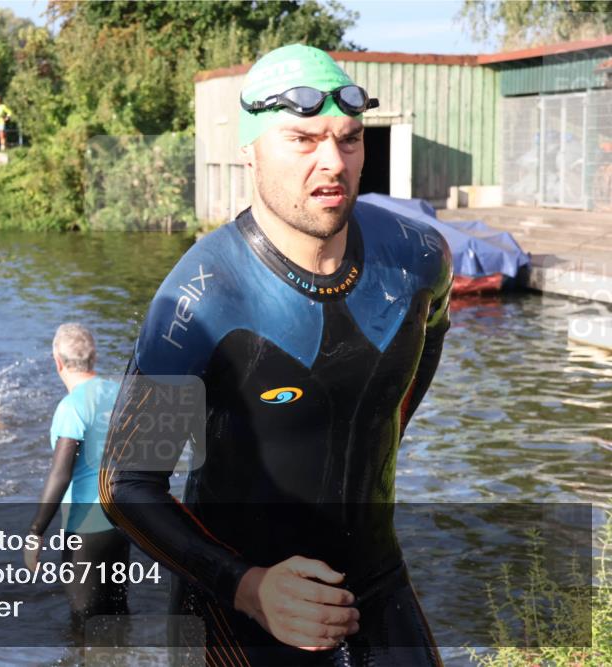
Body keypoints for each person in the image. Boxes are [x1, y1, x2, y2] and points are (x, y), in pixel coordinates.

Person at [99, 45, 451, 666]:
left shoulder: (419, 256)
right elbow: (126, 485)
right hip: (237, 605)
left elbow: (428, 343)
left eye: (348, 139)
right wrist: (247, 585)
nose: (332, 162)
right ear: (251, 148)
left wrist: (382, 426)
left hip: (376, 578)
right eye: (302, 139)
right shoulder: (197, 299)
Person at [24, 323, 130, 634]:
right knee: (118, 612)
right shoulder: (120, 394)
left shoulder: (71, 408)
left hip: (85, 527)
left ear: (57, 362)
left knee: (84, 621)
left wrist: (35, 531)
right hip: (122, 521)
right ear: (93, 357)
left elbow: (61, 473)